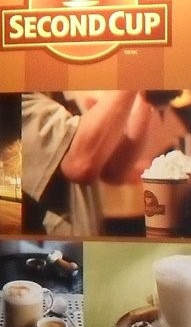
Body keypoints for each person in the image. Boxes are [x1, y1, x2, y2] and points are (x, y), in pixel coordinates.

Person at [21, 90, 171, 236]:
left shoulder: (60, 94)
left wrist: (146, 94)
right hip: (52, 247)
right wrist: (130, 77)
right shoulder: (20, 98)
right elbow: (80, 165)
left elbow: (114, 170)